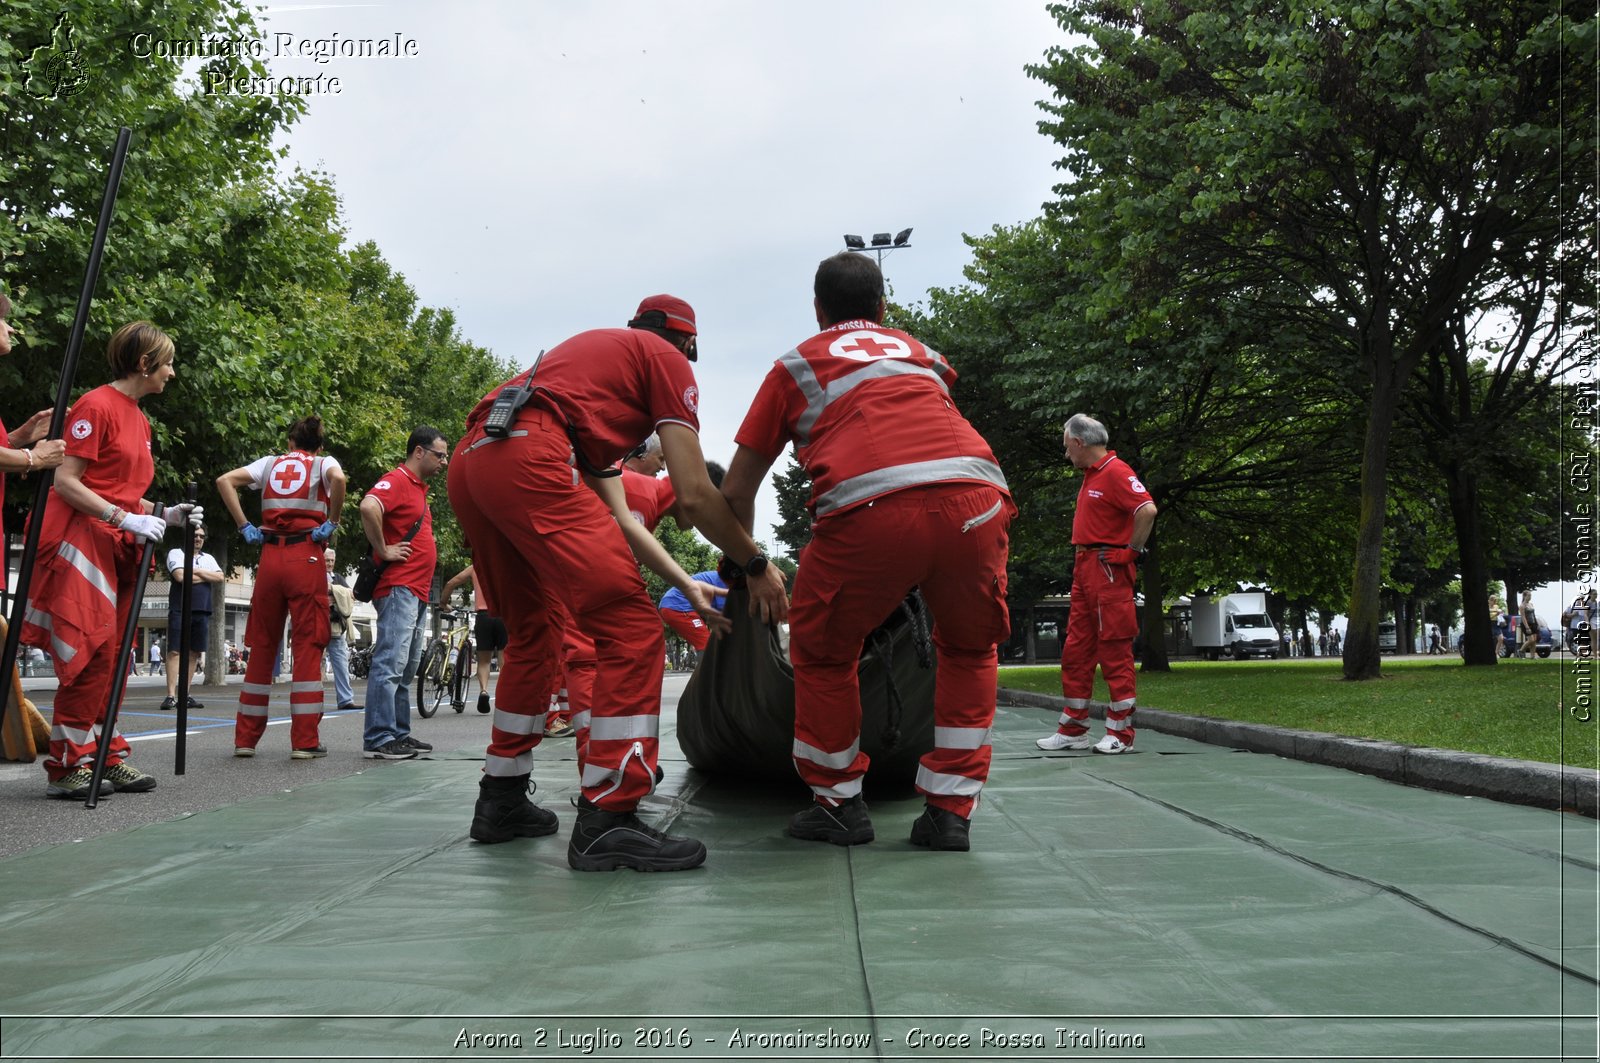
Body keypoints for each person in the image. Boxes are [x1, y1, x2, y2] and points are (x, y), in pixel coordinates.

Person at [449, 293, 787, 872]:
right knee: (632, 629)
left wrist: (689, 582)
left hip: (476, 457)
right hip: (533, 453)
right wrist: (754, 564)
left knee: (533, 634)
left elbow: (626, 521)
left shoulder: (586, 371)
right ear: (686, 343)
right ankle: (610, 815)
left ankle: (500, 799)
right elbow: (695, 493)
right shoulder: (665, 359)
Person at [723, 252, 1014, 852]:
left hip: (872, 507)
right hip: (979, 497)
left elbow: (736, 490)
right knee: (968, 648)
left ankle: (837, 805)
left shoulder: (796, 364)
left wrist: (745, 563)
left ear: (817, 309)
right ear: (883, 307)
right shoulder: (925, 354)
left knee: (824, 651)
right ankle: (951, 813)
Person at [20, 321, 200, 799]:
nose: (172, 373)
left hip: (114, 544)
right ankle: (68, 763)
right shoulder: (96, 405)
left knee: (116, 657)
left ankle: (104, 753)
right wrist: (126, 517)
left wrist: (163, 513)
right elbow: (66, 483)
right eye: (167, 363)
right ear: (144, 365)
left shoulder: (137, 416)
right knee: (92, 654)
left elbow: (119, 489)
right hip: (82, 543)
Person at [217, 417, 344, 759]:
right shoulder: (323, 463)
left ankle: (245, 739)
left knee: (262, 645)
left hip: (270, 557)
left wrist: (244, 525)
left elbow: (224, 481)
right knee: (307, 645)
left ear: (289, 442)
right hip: (306, 556)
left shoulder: (270, 464)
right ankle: (304, 741)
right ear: (319, 445)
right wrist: (331, 522)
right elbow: (339, 479)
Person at [1036, 413, 1157, 757]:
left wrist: (1130, 553)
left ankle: (1121, 733)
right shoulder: (1093, 474)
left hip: (1106, 571)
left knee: (1114, 652)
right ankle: (1073, 729)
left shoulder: (1117, 472)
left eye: (1066, 447)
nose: (1066, 455)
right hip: (1088, 567)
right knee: (1077, 650)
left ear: (1079, 442)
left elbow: (1147, 510)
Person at [359, 426, 447, 760]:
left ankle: (397, 732)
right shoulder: (396, 480)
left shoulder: (419, 490)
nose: (443, 462)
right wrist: (384, 549)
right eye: (439, 455)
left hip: (415, 591)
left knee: (406, 666)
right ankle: (379, 738)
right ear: (419, 452)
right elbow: (369, 506)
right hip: (400, 588)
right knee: (391, 662)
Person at [161, 524, 224, 709]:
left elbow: (220, 577)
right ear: (187, 536)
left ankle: (185, 695)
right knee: (174, 651)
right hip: (179, 608)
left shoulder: (209, 558)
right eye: (195, 535)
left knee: (193, 654)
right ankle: (171, 696)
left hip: (201, 609)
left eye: (201, 536)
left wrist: (194, 572)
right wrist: (207, 575)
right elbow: (180, 576)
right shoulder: (176, 553)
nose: (198, 539)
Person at [442, 564, 503, 715]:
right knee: (504, 661)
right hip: (503, 616)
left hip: (483, 617)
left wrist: (443, 603)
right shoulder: (506, 561)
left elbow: (451, 583)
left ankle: (483, 691)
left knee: (484, 661)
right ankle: (504, 698)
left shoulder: (477, 566)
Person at [658, 570, 729, 655]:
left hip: (672, 605)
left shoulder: (724, 576)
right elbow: (724, 613)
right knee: (707, 645)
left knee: (710, 644)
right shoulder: (726, 580)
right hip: (679, 606)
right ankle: (707, 668)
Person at [324, 548, 358, 712]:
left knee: (341, 665)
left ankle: (345, 700)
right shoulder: (313, 575)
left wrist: (333, 590)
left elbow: (352, 595)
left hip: (336, 627)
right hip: (317, 625)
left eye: (331, 561)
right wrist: (337, 593)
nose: (330, 564)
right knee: (309, 664)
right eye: (327, 560)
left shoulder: (338, 578)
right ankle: (308, 699)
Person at [1519, 590, 1541, 658]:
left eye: (1530, 596)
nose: (1529, 597)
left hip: (1533, 623)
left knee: (1534, 641)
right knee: (1530, 640)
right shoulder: (1522, 606)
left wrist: (1537, 623)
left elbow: (1533, 615)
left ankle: (1532, 656)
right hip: (1526, 624)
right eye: (1528, 596)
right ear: (1524, 596)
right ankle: (1521, 650)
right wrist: (1527, 627)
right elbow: (1523, 617)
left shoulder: (1531, 604)